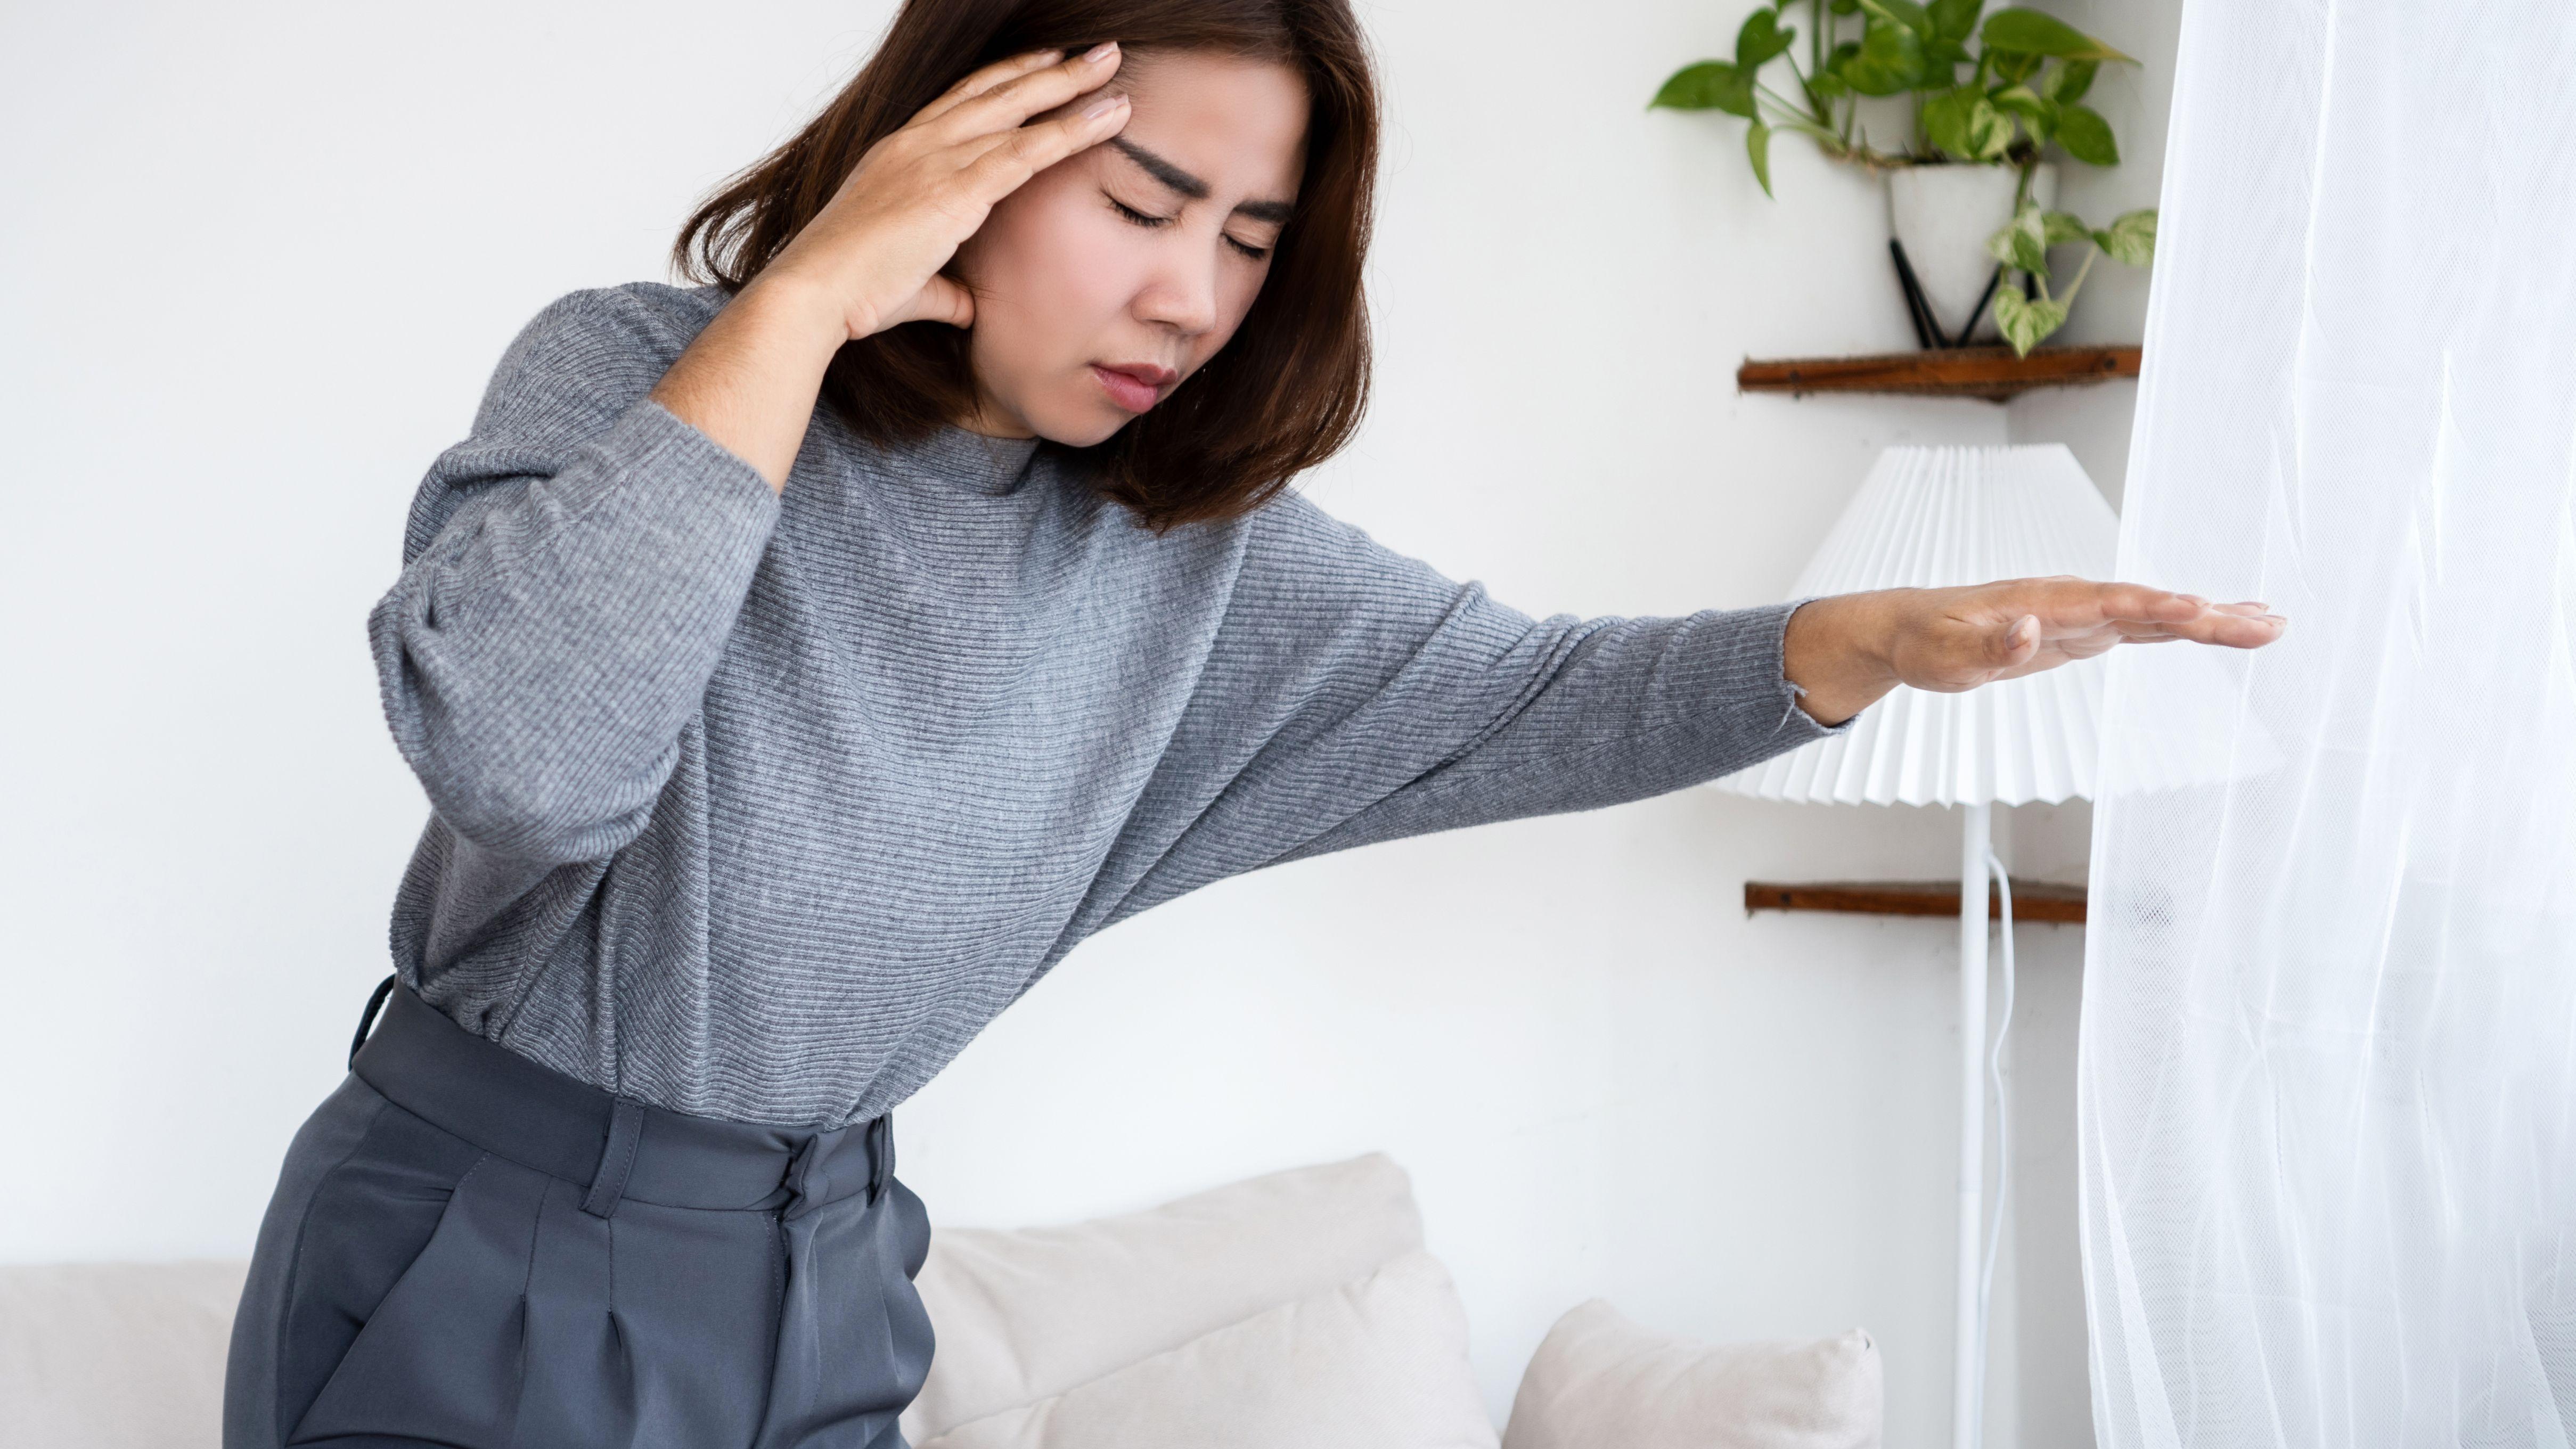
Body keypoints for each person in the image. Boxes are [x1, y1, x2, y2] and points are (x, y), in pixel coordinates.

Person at [221, 2, 2286, 1445]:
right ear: (954, 154)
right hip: (491, 1249)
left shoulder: (1181, 559)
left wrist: (1855, 644)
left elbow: (1529, 698)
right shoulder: (638, 372)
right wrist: (798, 308)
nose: (1194, 300)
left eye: (1249, 239)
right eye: (1141, 206)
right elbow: (528, 759)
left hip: (828, 1274)